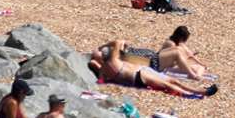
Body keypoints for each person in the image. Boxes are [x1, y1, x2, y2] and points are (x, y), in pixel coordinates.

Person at [87, 39, 218, 97]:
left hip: (142, 70)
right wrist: (102, 47)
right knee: (168, 83)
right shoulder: (114, 59)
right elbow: (118, 41)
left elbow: (95, 66)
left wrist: (95, 59)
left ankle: (198, 90)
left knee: (172, 80)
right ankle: (196, 92)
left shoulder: (104, 68)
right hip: (140, 74)